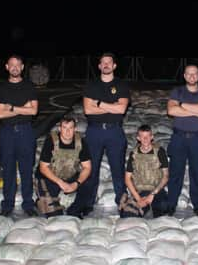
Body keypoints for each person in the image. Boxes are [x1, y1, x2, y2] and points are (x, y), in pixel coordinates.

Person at [77, 52, 130, 215]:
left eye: (109, 62)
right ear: (99, 66)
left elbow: (121, 109)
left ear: (114, 66)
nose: (106, 65)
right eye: (103, 63)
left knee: (118, 170)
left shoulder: (121, 85)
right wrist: (111, 105)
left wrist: (98, 103)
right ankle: (87, 202)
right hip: (94, 131)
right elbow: (88, 109)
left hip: (115, 131)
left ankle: (122, 202)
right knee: (91, 169)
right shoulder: (91, 85)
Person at [0, 54, 39, 216]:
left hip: (26, 132)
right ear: (7, 67)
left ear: (22, 67)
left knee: (27, 169)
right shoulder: (2, 89)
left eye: (17, 65)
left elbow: (33, 111)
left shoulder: (29, 87)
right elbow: (0, 114)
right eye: (11, 65)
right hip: (7, 133)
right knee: (8, 170)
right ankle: (8, 205)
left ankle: (28, 204)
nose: (14, 68)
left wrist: (11, 108)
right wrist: (22, 108)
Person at [166, 64, 198, 216]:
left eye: (195, 74)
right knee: (175, 173)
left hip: (197, 139)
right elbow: (171, 110)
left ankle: (197, 205)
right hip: (179, 138)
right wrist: (195, 111)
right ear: (184, 76)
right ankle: (171, 204)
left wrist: (182, 105)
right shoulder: (177, 91)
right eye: (188, 74)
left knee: (197, 173)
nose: (192, 77)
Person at [36, 115, 91, 218]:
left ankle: (74, 210)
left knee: (89, 182)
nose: (67, 131)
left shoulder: (80, 142)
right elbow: (43, 168)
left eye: (70, 128)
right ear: (60, 129)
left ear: (75, 129)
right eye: (64, 128)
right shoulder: (51, 141)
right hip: (51, 177)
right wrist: (60, 182)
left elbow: (87, 167)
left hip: (70, 174)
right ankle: (43, 200)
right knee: (53, 214)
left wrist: (76, 183)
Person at [119, 124, 169, 218]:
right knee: (127, 215)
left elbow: (165, 176)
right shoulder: (133, 154)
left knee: (163, 208)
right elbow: (127, 178)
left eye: (147, 136)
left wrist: (152, 194)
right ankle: (144, 208)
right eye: (142, 137)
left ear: (152, 137)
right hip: (140, 191)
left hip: (156, 190)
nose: (145, 139)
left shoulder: (159, 152)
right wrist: (138, 199)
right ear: (138, 138)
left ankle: (150, 209)